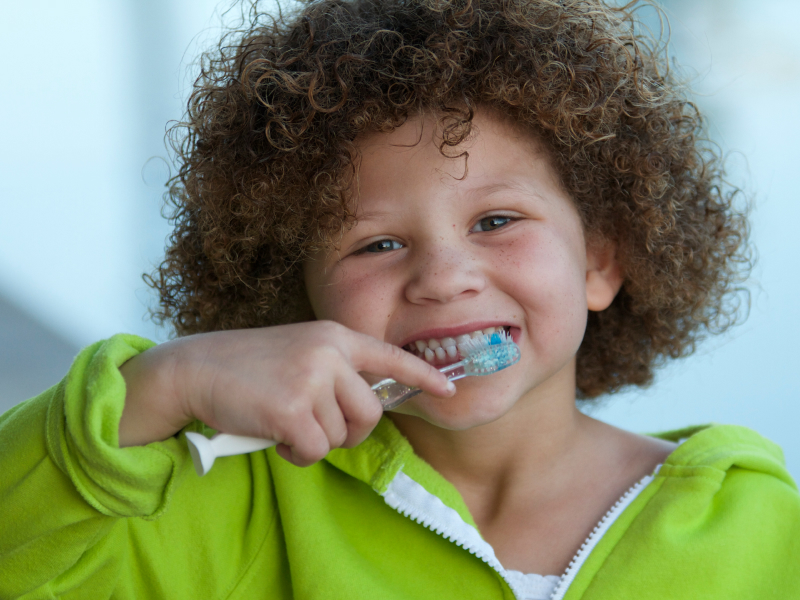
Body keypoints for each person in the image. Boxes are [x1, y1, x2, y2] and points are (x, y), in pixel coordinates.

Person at [1, 0, 798, 598]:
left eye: (496, 220)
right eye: (376, 244)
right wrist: (162, 385)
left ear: (601, 260)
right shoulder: (225, 506)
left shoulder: (759, 531)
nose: (444, 277)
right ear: (294, 294)